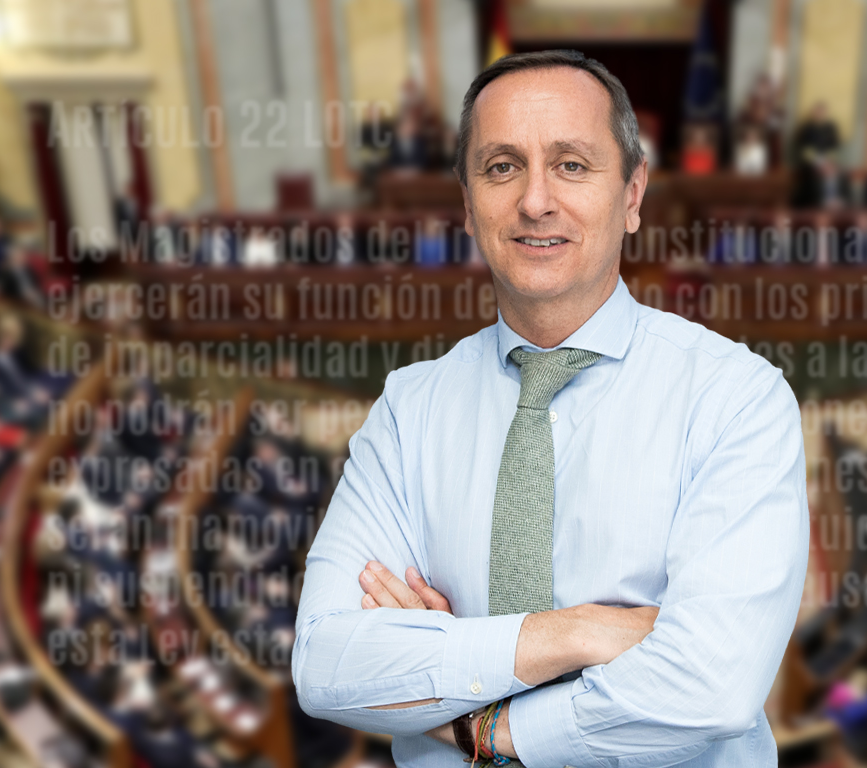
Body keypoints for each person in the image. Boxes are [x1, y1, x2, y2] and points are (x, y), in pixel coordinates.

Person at [294, 49, 809, 767]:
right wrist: (576, 633)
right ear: (468, 205)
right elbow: (325, 666)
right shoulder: (409, 411)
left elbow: (712, 686)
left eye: (571, 164)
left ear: (632, 195)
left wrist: (471, 712)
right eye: (502, 166)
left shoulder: (736, 398)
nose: (535, 200)